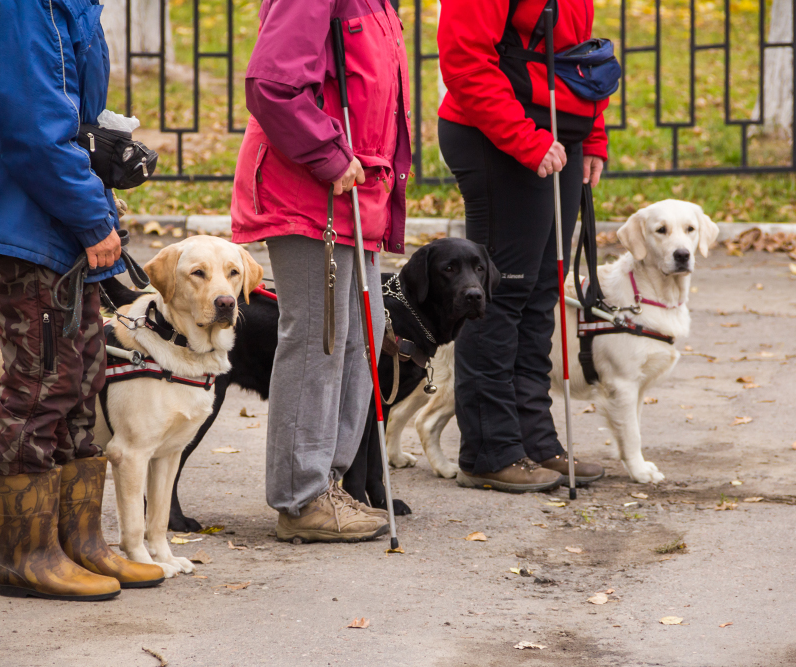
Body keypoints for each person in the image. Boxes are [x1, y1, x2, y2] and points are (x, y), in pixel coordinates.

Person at [0, 0, 165, 599]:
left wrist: (101, 159)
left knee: (81, 372)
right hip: (30, 208)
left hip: (52, 203)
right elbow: (33, 128)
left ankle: (80, 541)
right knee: (42, 379)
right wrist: (90, 216)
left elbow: (68, 109)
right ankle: (27, 555)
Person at [231, 0, 411, 542]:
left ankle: (327, 483)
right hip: (310, 190)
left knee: (362, 332)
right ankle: (301, 496)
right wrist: (329, 155)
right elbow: (272, 85)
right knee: (320, 339)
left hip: (356, 192)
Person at [437, 0, 609, 492]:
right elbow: (465, 60)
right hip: (497, 136)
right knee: (498, 297)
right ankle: (490, 451)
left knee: (539, 295)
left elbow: (575, 56)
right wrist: (524, 139)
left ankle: (534, 441)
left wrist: (591, 134)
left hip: (558, 133)